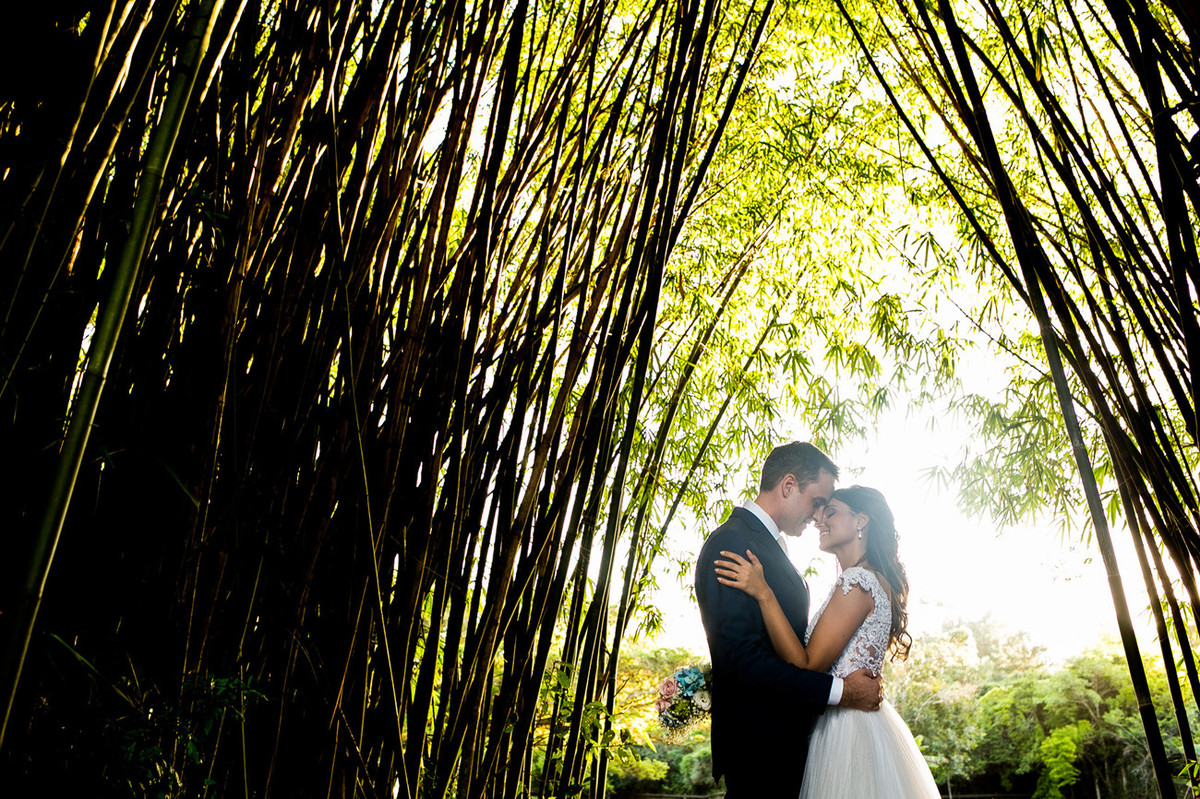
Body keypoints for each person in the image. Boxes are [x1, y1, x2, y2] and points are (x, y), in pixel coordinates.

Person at [714, 484, 941, 798]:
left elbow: (805, 664)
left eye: (830, 512)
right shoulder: (865, 579)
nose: (819, 519)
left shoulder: (858, 582)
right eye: (820, 511)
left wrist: (764, 594)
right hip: (846, 721)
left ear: (861, 520)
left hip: (848, 733)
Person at [694, 442, 884, 799]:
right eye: (816, 502)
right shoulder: (733, 543)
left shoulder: (765, 544)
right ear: (788, 485)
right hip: (760, 750)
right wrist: (841, 691)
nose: (818, 517)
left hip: (787, 746)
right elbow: (740, 659)